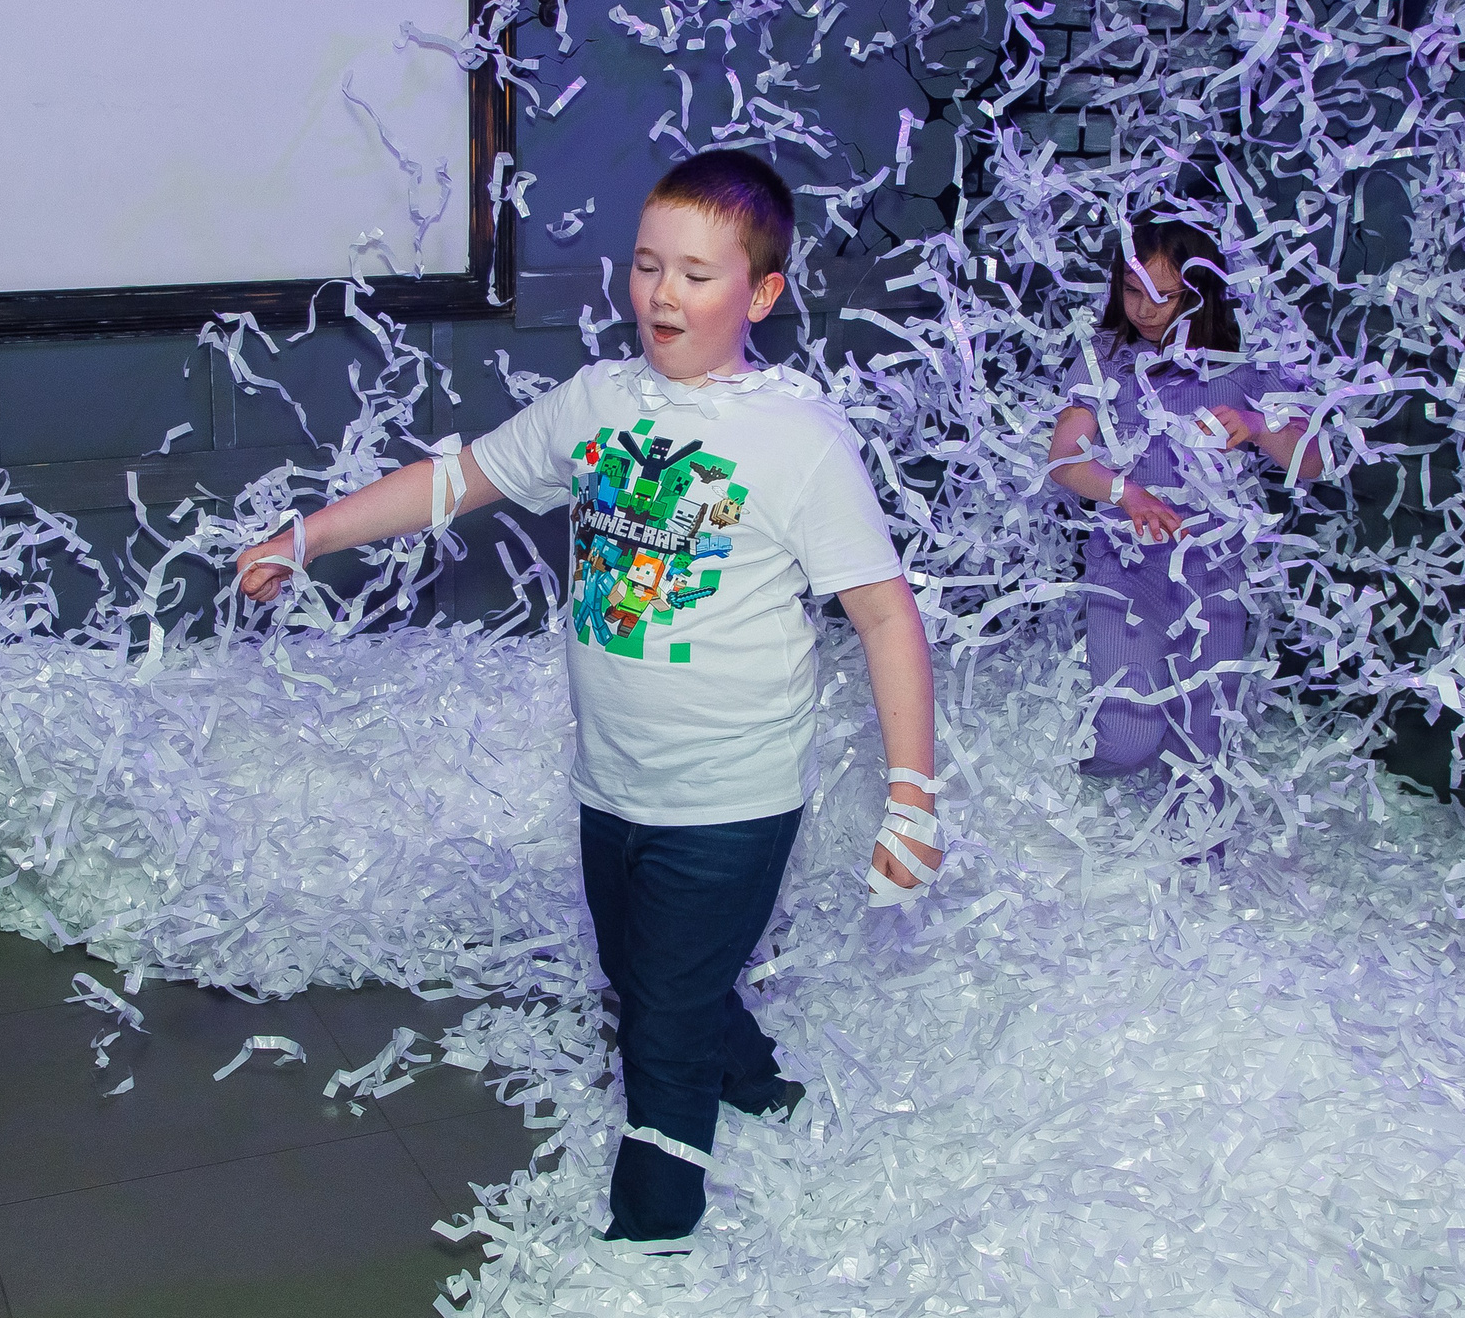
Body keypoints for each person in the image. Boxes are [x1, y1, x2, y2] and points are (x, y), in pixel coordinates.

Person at [236, 149, 943, 1243]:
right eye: (648, 265)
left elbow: (887, 615)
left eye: (699, 274)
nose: (664, 293)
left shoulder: (795, 441)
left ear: (760, 293)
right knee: (643, 974)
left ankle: (649, 1251)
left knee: (655, 1034)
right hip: (612, 780)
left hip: (732, 796)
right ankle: (759, 1083)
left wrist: (910, 795)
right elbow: (456, 478)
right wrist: (309, 533)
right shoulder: (597, 402)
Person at [1044, 220, 1320, 799]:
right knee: (1124, 739)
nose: (1144, 310)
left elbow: (1313, 461)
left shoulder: (1243, 366)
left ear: (1202, 292)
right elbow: (1065, 461)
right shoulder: (1105, 358)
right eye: (1132, 290)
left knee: (1202, 755)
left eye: (1164, 296)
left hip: (1214, 578)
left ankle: (1192, 870)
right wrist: (1127, 492)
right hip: (1125, 572)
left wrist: (1255, 424)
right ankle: (1070, 799)